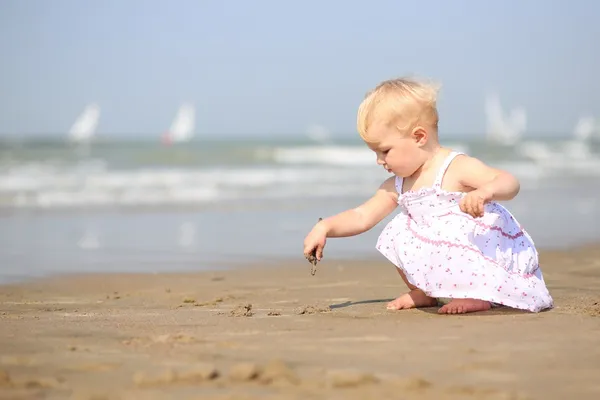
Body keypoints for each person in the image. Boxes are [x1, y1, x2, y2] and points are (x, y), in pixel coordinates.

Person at [302, 77, 553, 314]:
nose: (379, 161)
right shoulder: (398, 185)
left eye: (385, 151)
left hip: (479, 245)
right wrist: (326, 227)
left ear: (419, 137)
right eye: (375, 153)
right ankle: (423, 291)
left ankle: (477, 294)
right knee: (397, 230)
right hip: (445, 249)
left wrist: (485, 192)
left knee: (447, 228)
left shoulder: (454, 167)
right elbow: (362, 215)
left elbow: (509, 182)